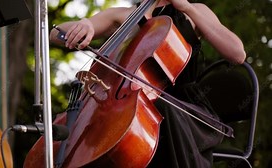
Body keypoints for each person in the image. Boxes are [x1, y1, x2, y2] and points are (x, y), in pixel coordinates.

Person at [50, 0, 246, 167]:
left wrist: (188, 8)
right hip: (129, 104)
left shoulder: (195, 11)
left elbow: (237, 54)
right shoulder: (126, 15)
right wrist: (86, 25)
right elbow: (55, 34)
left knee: (161, 110)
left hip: (185, 110)